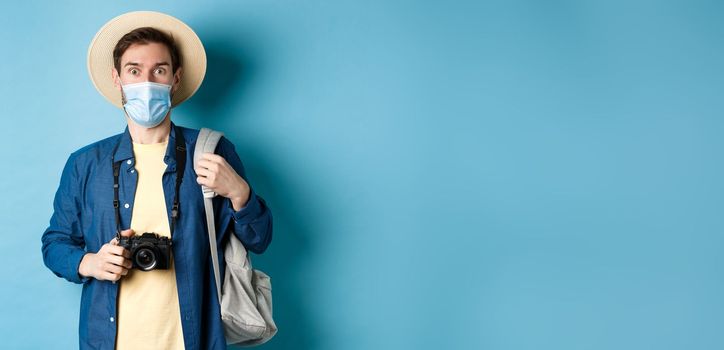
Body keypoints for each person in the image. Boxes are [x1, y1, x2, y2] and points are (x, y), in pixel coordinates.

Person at [41, 11, 273, 350]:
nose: (146, 82)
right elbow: (55, 243)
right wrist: (89, 262)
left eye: (159, 71)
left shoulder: (211, 151)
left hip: (193, 340)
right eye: (134, 70)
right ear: (117, 78)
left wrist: (240, 193)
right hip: (108, 341)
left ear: (175, 79)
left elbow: (260, 239)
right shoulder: (85, 164)